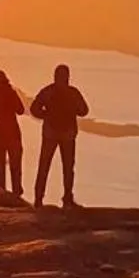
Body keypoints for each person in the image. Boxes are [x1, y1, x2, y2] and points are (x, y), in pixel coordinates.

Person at [28, 63, 89, 209]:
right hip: (67, 134)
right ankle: (67, 199)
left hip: (51, 133)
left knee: (44, 165)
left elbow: (34, 108)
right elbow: (84, 110)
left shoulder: (48, 91)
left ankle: (38, 199)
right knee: (67, 167)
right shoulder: (73, 92)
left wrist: (46, 115)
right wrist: (70, 111)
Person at [0, 69, 26, 195]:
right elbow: (20, 110)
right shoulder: (3, 94)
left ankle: (8, 193)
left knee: (4, 168)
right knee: (9, 168)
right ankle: (10, 194)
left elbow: (20, 110)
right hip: (7, 135)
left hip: (3, 136)